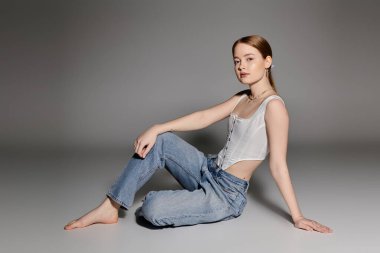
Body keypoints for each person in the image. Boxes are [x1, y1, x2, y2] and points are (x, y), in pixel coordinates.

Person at [64, 34, 333, 233]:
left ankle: (166, 202)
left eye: (250, 59)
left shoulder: (274, 107)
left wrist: (297, 216)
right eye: (237, 61)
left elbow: (278, 165)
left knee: (151, 209)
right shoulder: (241, 97)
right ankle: (110, 207)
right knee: (163, 140)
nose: (242, 66)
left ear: (267, 61)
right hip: (208, 167)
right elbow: (204, 117)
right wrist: (158, 126)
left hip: (227, 195)